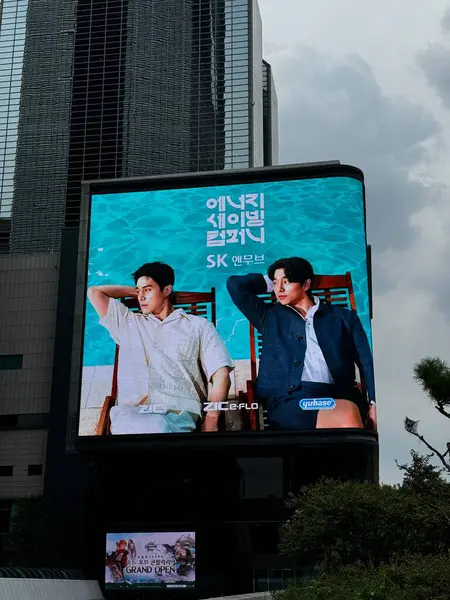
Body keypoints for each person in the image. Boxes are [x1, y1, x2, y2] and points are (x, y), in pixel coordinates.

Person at [226, 257, 376, 431]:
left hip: (335, 395)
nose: (279, 289)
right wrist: (272, 279)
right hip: (291, 400)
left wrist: (374, 403)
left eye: (287, 282)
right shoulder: (269, 317)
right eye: (276, 283)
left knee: (347, 410)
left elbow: (366, 362)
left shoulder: (343, 317)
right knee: (347, 414)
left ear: (305, 285)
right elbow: (234, 285)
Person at [87, 261, 233, 434]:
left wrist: (211, 419)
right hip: (133, 414)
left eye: (147, 290)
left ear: (167, 290)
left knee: (157, 427)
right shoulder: (128, 322)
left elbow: (221, 374)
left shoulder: (198, 326)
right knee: (149, 427)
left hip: (178, 415)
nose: (141, 297)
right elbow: (94, 292)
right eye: (138, 290)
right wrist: (136, 290)